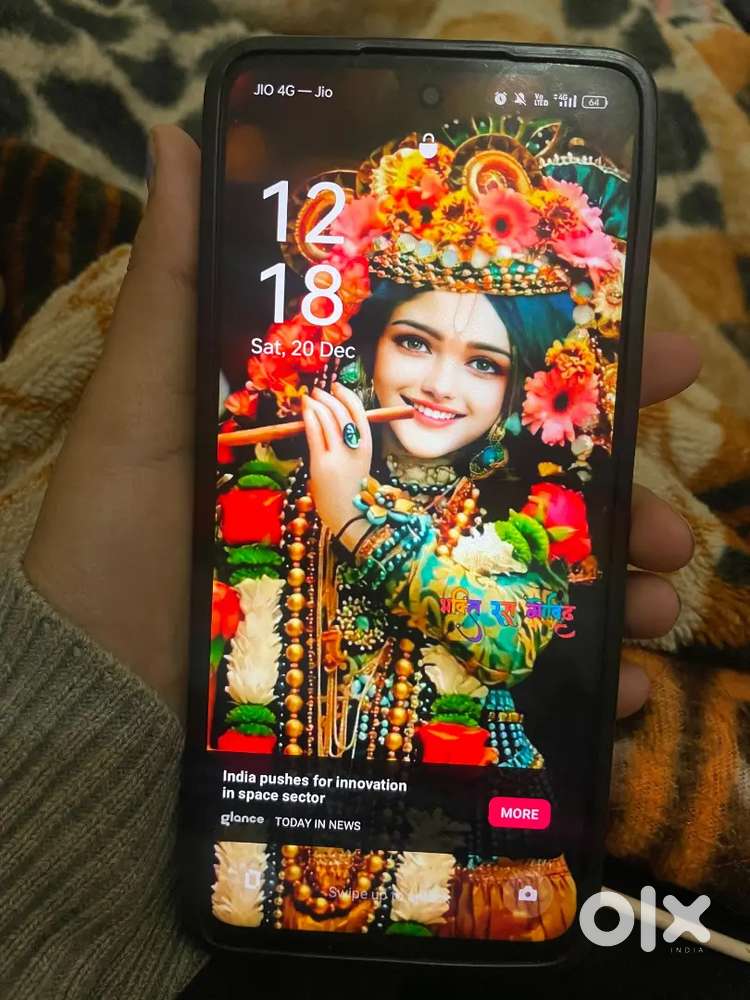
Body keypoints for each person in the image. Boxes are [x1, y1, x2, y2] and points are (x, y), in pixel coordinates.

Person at [1, 125, 698, 994]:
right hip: (236, 869)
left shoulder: (533, 516)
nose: (438, 385)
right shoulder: (270, 490)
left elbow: (506, 643)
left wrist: (355, 518)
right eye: (415, 342)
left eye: (483, 363)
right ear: (370, 344)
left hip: (473, 867)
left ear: (521, 386)